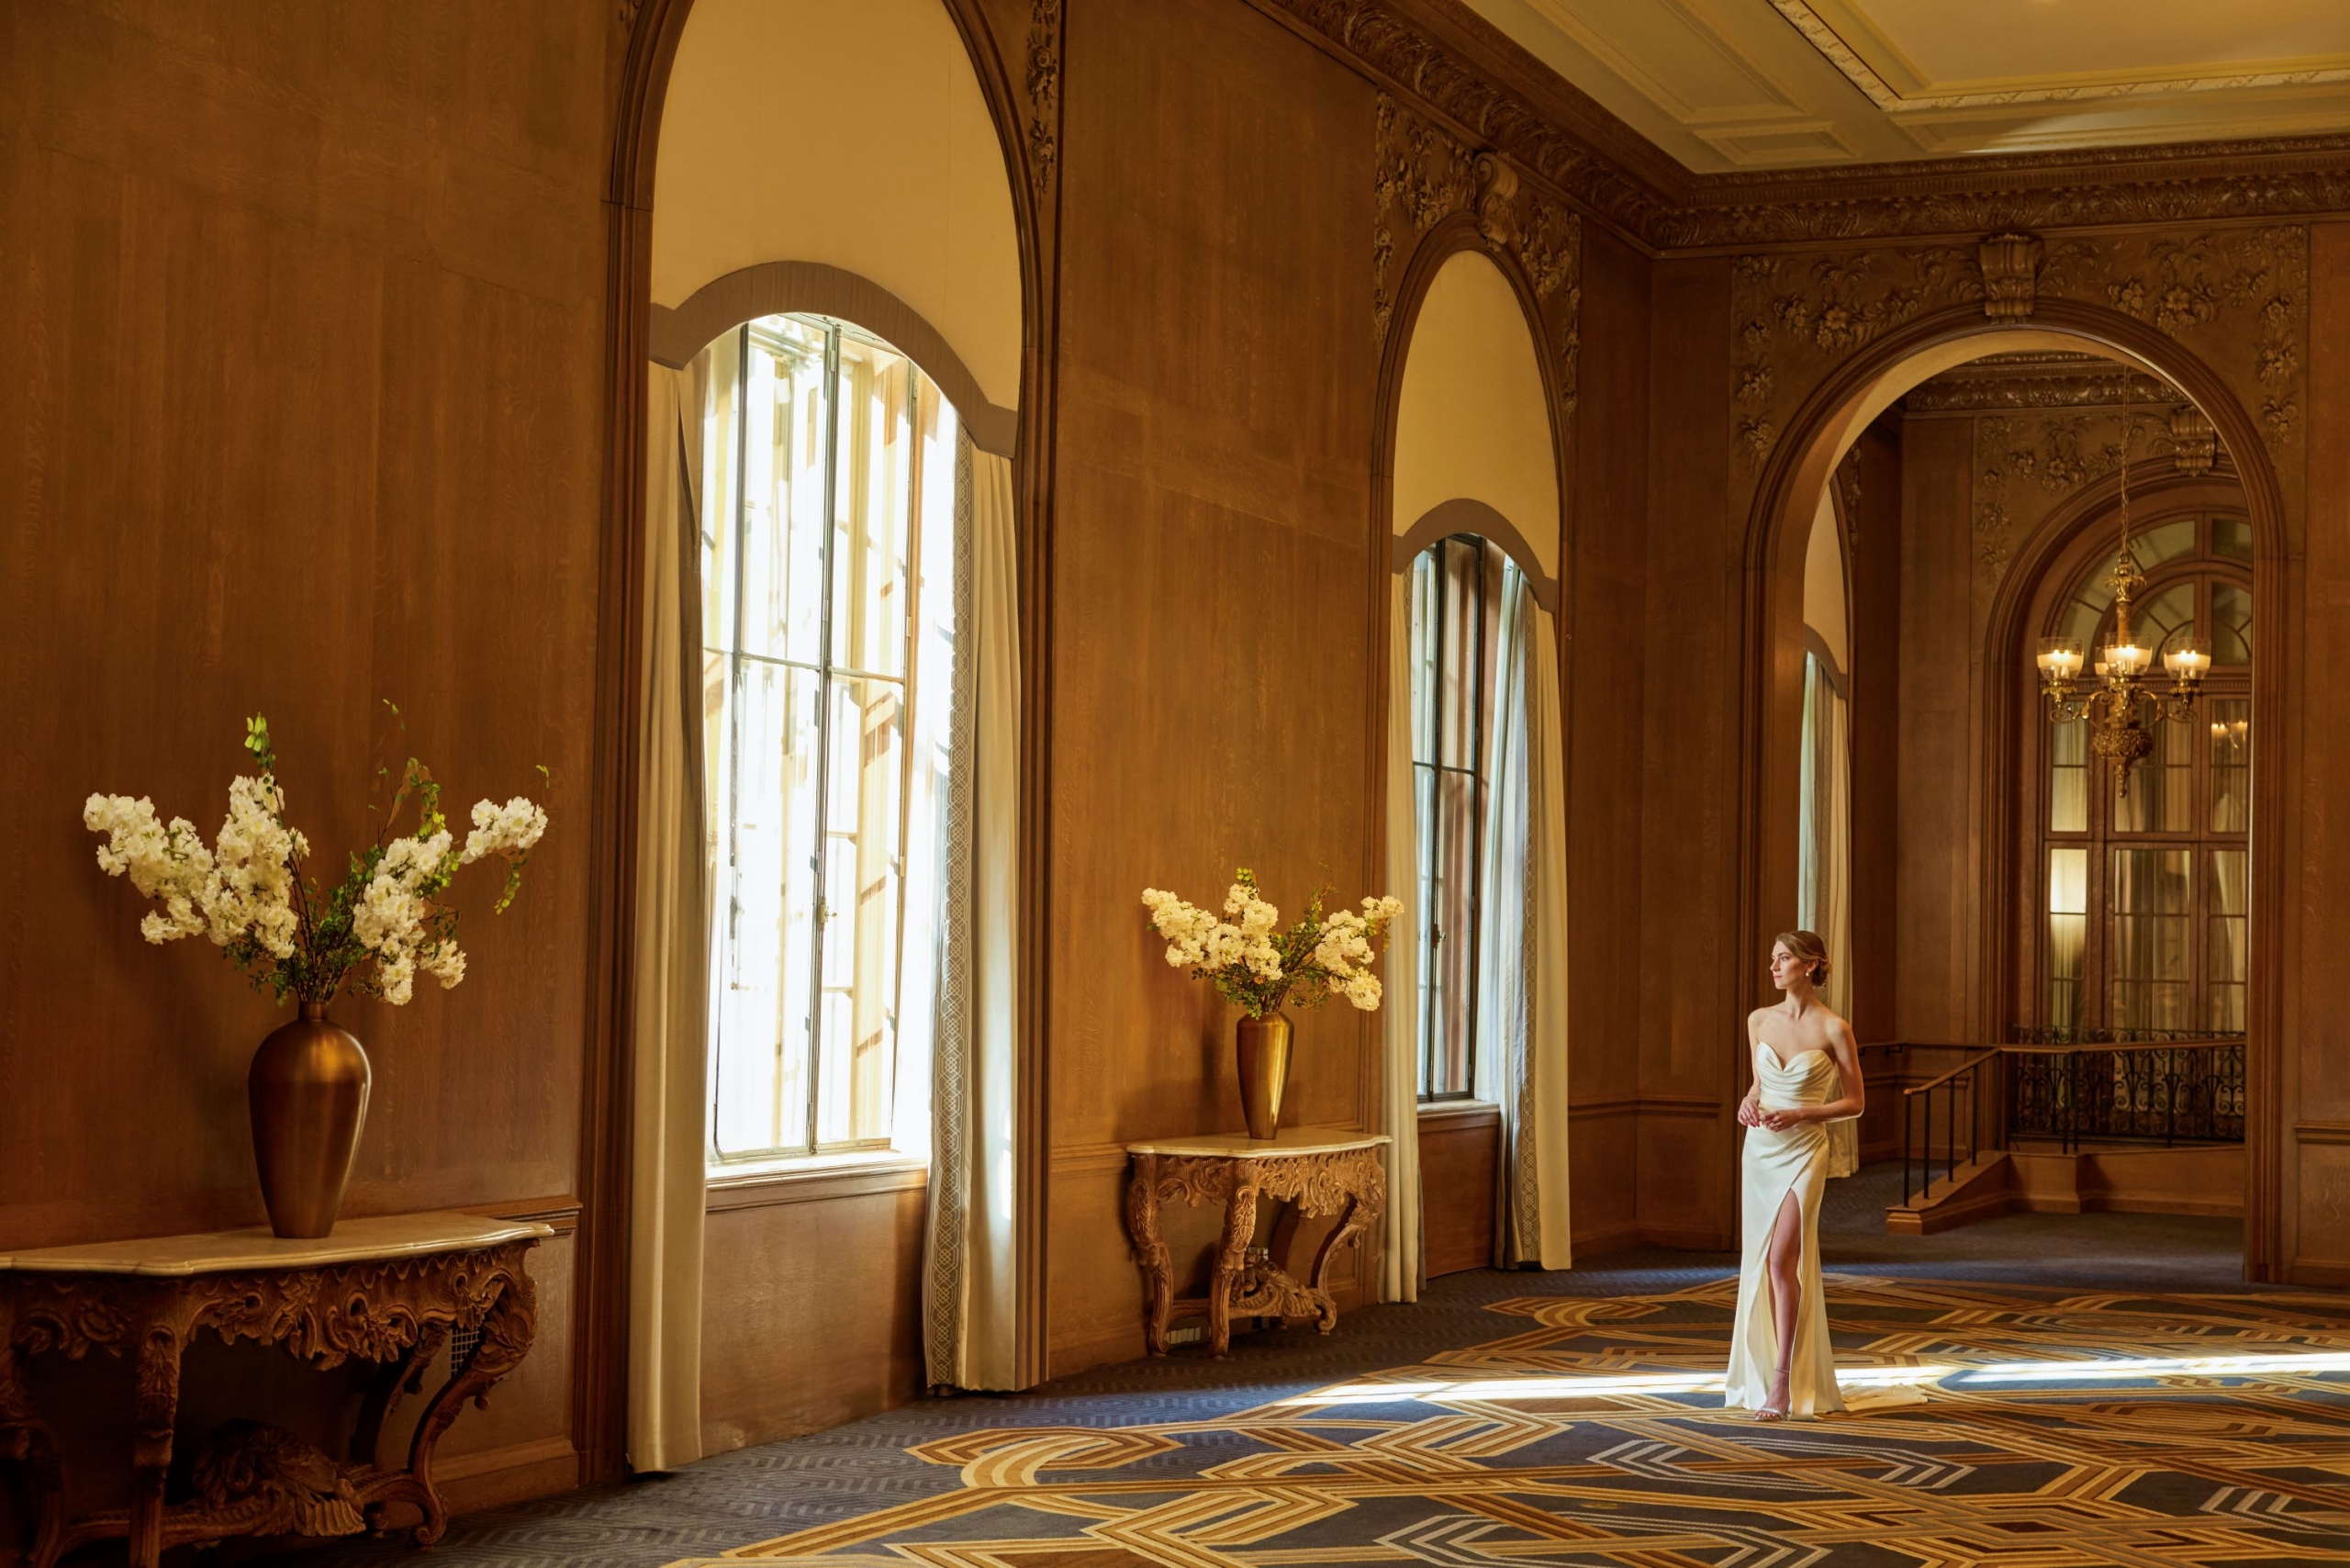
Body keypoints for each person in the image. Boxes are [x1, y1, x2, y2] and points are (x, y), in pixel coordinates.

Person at [1726, 929, 1863, 1421]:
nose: (1774, 967)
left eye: (1782, 958)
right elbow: (1760, 1085)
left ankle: (1783, 1380)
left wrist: (1804, 1114)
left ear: (1809, 966)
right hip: (1760, 1149)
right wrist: (1748, 1101)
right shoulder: (1758, 1020)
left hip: (1805, 1151)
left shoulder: (1834, 1029)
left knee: (1783, 1261)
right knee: (1763, 1263)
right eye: (1772, 959)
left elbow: (1856, 1103)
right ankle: (1765, 1371)